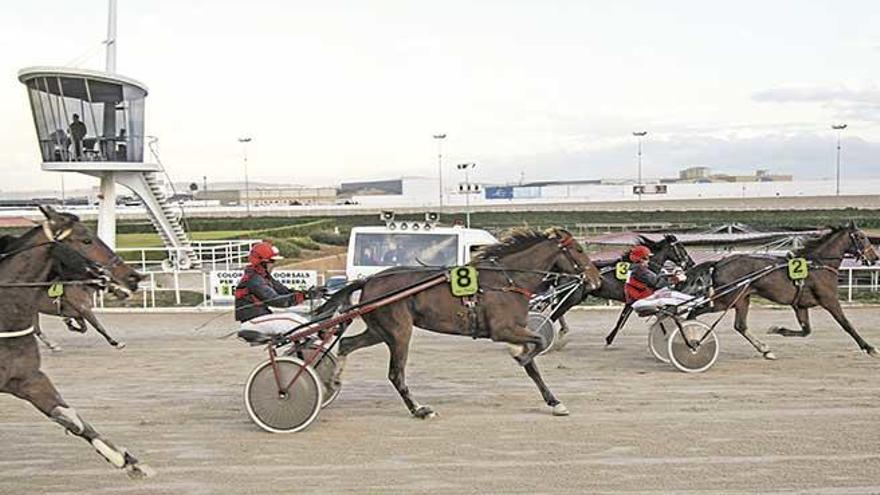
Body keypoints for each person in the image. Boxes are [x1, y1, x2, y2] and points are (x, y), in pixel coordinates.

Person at [235, 241, 309, 335]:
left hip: (261, 319)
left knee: (300, 317)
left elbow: (285, 292)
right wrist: (303, 296)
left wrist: (308, 293)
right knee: (291, 318)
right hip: (253, 322)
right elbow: (276, 300)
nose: (274, 264)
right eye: (272, 261)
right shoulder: (254, 279)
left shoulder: (264, 277)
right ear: (262, 262)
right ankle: (319, 333)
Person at [625, 245, 691, 315]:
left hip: (641, 298)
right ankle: (694, 304)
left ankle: (694, 301)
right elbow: (657, 283)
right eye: (648, 258)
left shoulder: (635, 268)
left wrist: (669, 275)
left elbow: (655, 279)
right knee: (672, 299)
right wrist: (677, 279)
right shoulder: (639, 269)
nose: (649, 261)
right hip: (642, 301)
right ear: (642, 259)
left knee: (670, 293)